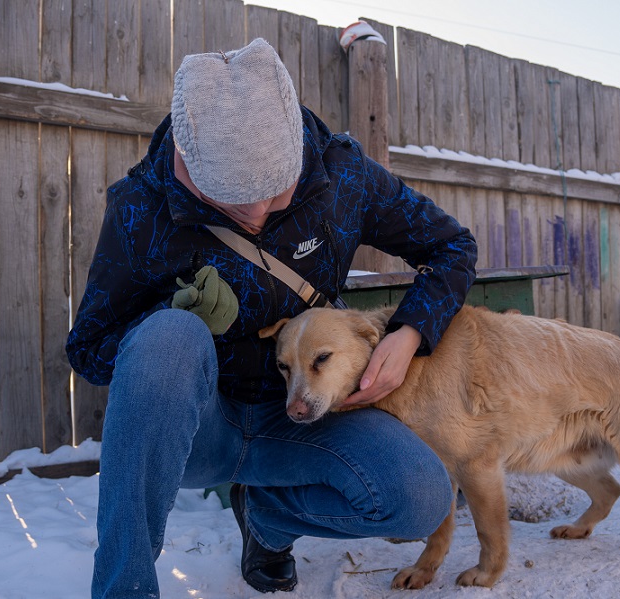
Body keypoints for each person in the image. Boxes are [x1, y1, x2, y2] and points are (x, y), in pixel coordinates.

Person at [66, 38, 477, 598]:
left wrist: (409, 335)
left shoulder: (342, 174)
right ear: (185, 165)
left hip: (312, 417)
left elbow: (452, 248)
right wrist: (173, 316)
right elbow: (89, 347)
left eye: (275, 193)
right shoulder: (140, 208)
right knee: (169, 335)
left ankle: (268, 519)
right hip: (201, 431)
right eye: (233, 200)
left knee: (420, 499)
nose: (259, 214)